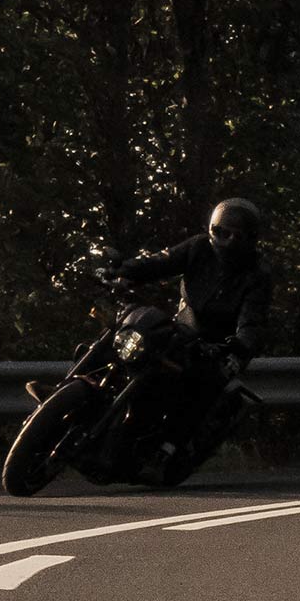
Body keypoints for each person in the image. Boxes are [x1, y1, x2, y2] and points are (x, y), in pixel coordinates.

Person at [108, 198, 274, 467]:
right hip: (183, 330)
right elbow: (159, 262)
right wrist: (121, 272)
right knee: (127, 336)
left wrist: (241, 345)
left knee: (205, 383)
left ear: (251, 239)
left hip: (221, 346)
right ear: (212, 229)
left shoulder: (257, 273)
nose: (229, 241)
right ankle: (84, 396)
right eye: (223, 232)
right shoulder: (198, 247)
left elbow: (253, 319)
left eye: (238, 235)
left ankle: (168, 448)